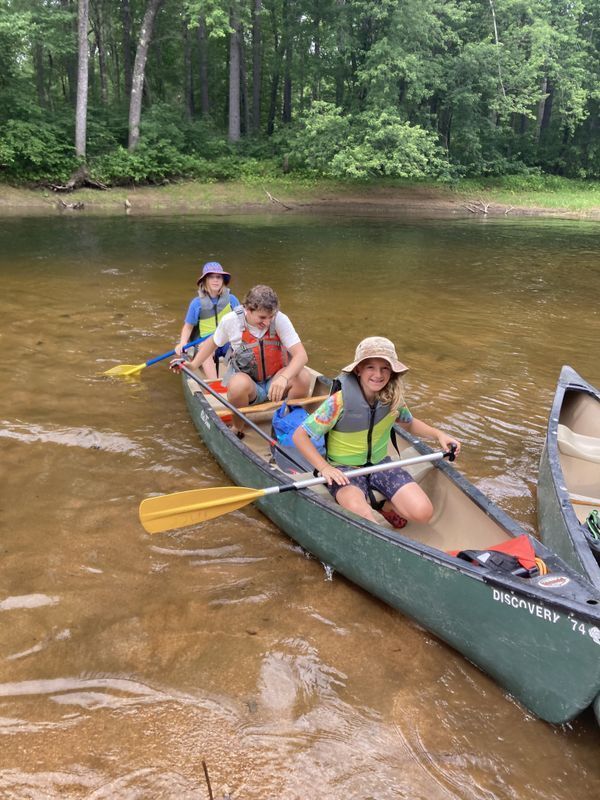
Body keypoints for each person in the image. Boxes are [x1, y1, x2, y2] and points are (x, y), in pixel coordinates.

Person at [292, 336, 461, 528]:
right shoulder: (339, 401)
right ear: (358, 370)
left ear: (392, 371)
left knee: (423, 512)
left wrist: (439, 435)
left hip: (380, 465)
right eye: (370, 367)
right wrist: (325, 468)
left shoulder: (392, 399)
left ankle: (386, 507)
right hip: (344, 470)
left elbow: (410, 423)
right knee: (365, 520)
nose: (378, 374)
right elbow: (300, 435)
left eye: (385, 368)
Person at [175, 285, 311, 437]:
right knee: (237, 384)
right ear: (248, 309)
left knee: (303, 376)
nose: (267, 322)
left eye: (270, 317)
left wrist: (284, 378)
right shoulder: (231, 321)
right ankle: (238, 428)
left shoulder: (280, 319)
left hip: (275, 381)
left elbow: (301, 356)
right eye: (262, 318)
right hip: (249, 386)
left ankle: (286, 422)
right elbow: (212, 343)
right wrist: (193, 365)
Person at [174, 261, 241, 380]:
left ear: (223, 280)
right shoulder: (196, 303)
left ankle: (233, 380)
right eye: (211, 277)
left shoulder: (232, 300)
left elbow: (241, 322)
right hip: (205, 342)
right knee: (206, 350)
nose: (215, 280)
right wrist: (183, 342)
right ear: (205, 281)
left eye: (219, 277)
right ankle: (214, 383)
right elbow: (188, 326)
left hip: (226, 340)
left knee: (238, 350)